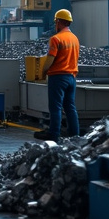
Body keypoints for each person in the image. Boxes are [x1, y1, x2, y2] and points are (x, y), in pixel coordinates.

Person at [34, 9, 80, 142]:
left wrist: (43, 72)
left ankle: (54, 134)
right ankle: (74, 135)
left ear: (59, 22)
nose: (55, 25)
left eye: (56, 22)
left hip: (58, 77)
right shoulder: (75, 39)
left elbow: (50, 59)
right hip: (71, 77)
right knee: (70, 107)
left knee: (55, 107)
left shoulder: (56, 39)